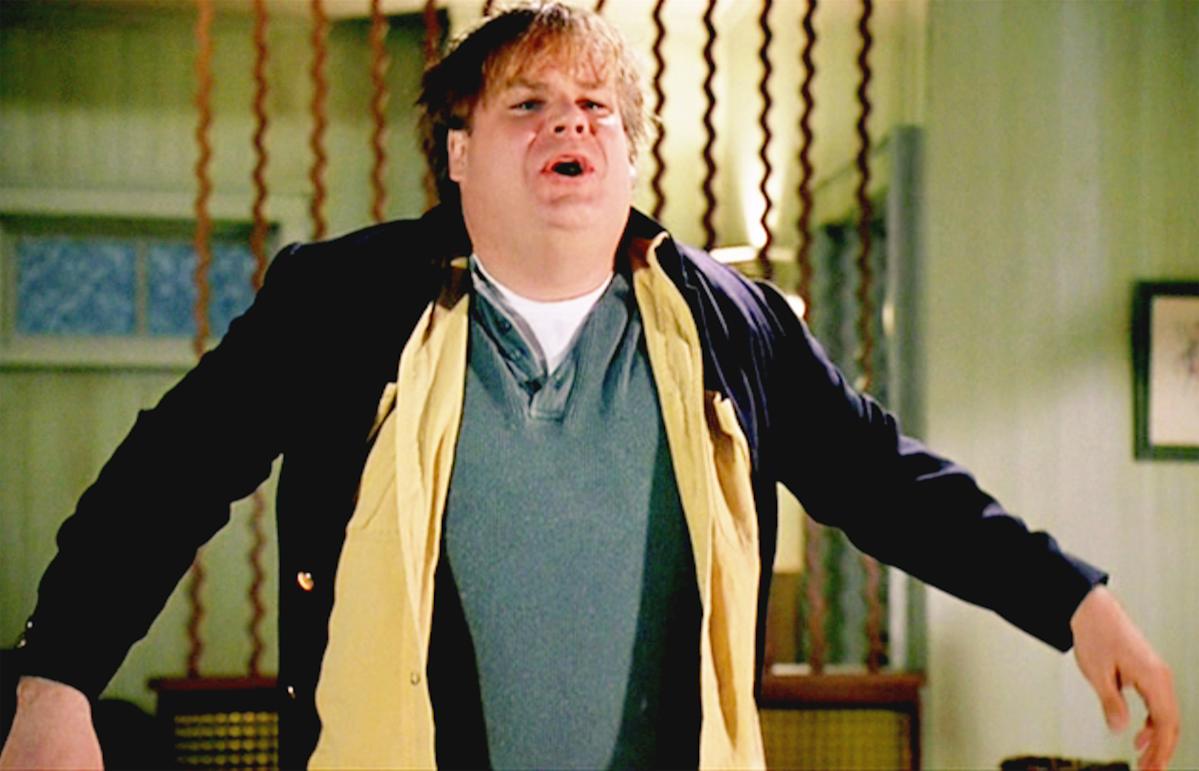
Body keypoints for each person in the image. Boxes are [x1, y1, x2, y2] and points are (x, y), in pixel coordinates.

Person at [0, 3, 1179, 769]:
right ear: (458, 153)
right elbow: (169, 472)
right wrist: (55, 681)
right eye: (526, 105)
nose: (568, 122)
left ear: (622, 155)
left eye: (594, 110)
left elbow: (882, 481)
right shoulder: (342, 303)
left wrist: (1069, 599)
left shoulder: (731, 322)